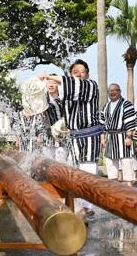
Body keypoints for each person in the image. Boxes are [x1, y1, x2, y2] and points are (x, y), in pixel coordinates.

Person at [39, 59, 103, 219]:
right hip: (73, 137)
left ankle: (87, 207)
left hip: (89, 135)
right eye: (75, 72)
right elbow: (54, 108)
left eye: (82, 72)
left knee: (87, 171)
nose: (79, 75)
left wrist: (49, 77)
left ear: (87, 74)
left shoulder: (91, 86)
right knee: (74, 171)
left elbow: (75, 85)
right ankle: (80, 205)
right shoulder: (67, 95)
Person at [100, 84, 136, 186]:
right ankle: (113, 183)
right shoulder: (106, 106)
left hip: (123, 135)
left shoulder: (126, 104)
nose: (112, 92)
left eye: (115, 90)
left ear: (120, 92)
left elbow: (131, 123)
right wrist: (103, 139)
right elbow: (102, 124)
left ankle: (129, 183)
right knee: (110, 160)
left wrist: (129, 137)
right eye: (110, 90)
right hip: (110, 137)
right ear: (108, 93)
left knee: (126, 160)